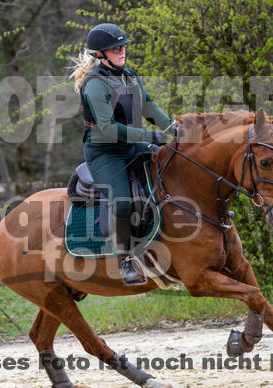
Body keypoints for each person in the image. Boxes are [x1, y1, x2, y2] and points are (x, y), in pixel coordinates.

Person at [69, 23, 181, 286]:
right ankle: (126, 260)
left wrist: (171, 127)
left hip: (131, 146)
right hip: (105, 153)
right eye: (115, 49)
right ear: (101, 54)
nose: (122, 52)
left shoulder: (129, 75)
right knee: (121, 202)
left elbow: (149, 107)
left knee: (174, 164)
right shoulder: (94, 85)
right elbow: (107, 128)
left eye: (123, 47)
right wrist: (150, 137)